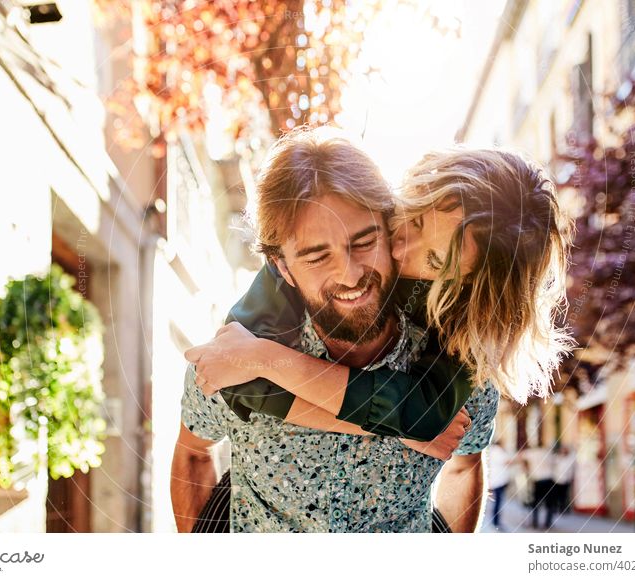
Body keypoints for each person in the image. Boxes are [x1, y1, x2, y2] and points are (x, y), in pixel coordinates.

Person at [176, 129, 573, 532]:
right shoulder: (251, 328)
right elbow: (223, 400)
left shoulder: (464, 347)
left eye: (435, 259)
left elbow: (456, 459)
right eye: (414, 222)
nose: (401, 251)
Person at [522, 444, 556, 529]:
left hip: (538, 480)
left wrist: (527, 469)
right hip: (549, 480)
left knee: (535, 503)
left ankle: (535, 522)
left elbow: (521, 457)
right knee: (549, 504)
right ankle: (547, 523)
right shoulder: (548, 452)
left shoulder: (532, 452)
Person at [486, 440, 513, 530]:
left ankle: (495, 521)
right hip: (499, 481)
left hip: (495, 479)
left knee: (496, 501)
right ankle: (496, 522)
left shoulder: (491, 451)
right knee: (498, 502)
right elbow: (506, 462)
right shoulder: (497, 451)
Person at [552, 444, 576, 514]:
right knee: (556, 495)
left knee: (564, 495)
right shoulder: (556, 458)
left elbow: (571, 469)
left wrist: (571, 477)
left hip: (566, 480)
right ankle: (556, 507)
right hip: (556, 479)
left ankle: (563, 509)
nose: (563, 451)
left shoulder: (570, 459)